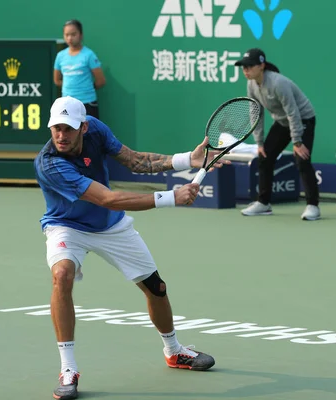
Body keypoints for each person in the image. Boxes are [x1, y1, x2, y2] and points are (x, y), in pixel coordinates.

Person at [34, 96, 224, 400]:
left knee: (156, 288)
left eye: (68, 129)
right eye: (56, 128)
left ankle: (174, 352)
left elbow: (135, 161)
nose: (61, 135)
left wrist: (187, 159)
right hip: (67, 226)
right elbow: (108, 198)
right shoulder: (49, 164)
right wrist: (172, 198)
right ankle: (68, 369)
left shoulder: (96, 130)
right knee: (62, 275)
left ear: (83, 126)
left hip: (111, 225)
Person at [235, 48, 321, 221]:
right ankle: (264, 203)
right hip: (282, 122)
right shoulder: (251, 84)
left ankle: (313, 206)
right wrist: (259, 143)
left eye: (250, 66)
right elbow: (255, 112)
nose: (246, 70)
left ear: (262, 65)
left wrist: (297, 141)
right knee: (265, 157)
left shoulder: (278, 83)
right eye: (244, 67)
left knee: (302, 159)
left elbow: (293, 112)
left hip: (303, 119)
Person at [53, 19, 105, 119]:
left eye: (73, 34)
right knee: (69, 133)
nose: (69, 38)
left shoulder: (89, 55)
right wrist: (71, 89)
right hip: (67, 104)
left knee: (89, 133)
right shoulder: (60, 56)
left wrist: (85, 89)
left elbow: (101, 81)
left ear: (81, 35)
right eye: (66, 35)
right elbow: (57, 80)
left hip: (87, 103)